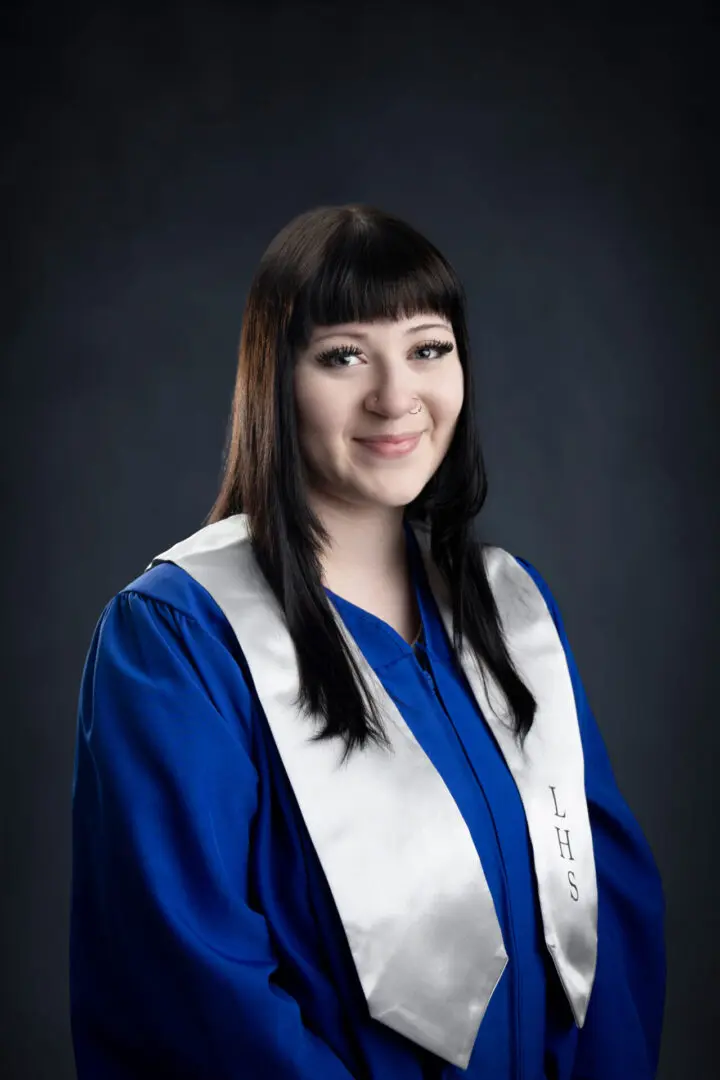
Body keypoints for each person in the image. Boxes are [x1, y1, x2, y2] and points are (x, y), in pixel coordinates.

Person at [70, 204, 666, 1079]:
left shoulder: (510, 616)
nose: (396, 396)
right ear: (276, 379)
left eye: (428, 348)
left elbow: (599, 936)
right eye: (344, 356)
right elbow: (189, 988)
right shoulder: (181, 639)